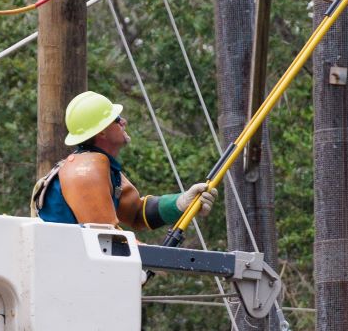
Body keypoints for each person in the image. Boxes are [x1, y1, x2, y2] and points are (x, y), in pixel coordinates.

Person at [33, 90, 215, 230]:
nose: (124, 121)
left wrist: (181, 203)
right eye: (116, 119)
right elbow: (105, 239)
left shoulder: (102, 166)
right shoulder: (86, 169)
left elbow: (136, 213)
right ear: (101, 131)